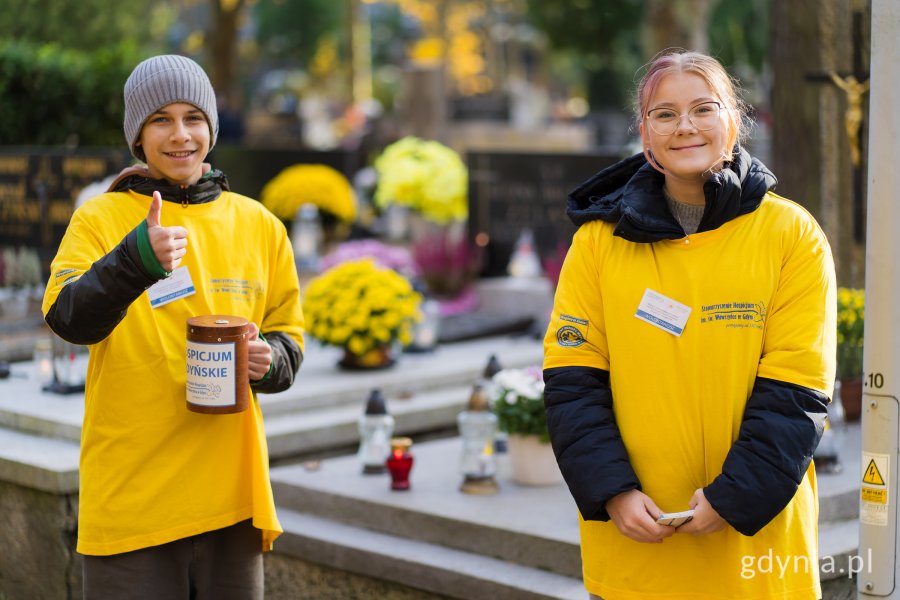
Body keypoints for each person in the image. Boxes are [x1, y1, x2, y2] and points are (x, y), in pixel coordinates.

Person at [543, 50, 835, 599]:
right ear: (645, 132)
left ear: (735, 119)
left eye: (704, 108)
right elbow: (572, 382)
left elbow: (799, 388)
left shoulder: (792, 236)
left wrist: (733, 498)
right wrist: (614, 493)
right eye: (665, 114)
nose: (685, 127)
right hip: (636, 538)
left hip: (755, 544)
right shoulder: (596, 244)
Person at [42, 54, 304, 599]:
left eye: (193, 118)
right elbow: (67, 316)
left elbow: (288, 337)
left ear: (211, 126)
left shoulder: (261, 225)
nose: (180, 134)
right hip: (133, 500)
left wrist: (270, 361)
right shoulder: (100, 217)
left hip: (231, 497)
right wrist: (137, 256)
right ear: (137, 135)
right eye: (160, 119)